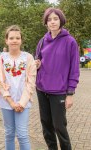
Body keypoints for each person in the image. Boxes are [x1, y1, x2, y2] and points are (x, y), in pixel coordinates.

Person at [35, 8, 80, 150]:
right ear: (46, 22)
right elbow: (38, 60)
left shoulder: (70, 42)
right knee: (46, 125)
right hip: (42, 89)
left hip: (59, 91)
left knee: (59, 126)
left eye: (55, 18)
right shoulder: (42, 41)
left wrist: (70, 94)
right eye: (49, 19)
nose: (52, 22)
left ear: (61, 20)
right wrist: (36, 64)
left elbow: (74, 69)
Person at [0, 25, 36, 150]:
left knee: (22, 134)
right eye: (11, 38)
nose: (14, 40)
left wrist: (22, 103)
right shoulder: (1, 58)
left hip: (23, 103)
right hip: (6, 102)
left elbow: (31, 82)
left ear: (21, 40)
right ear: (6, 40)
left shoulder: (28, 58)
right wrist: (11, 102)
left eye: (17, 38)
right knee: (9, 133)